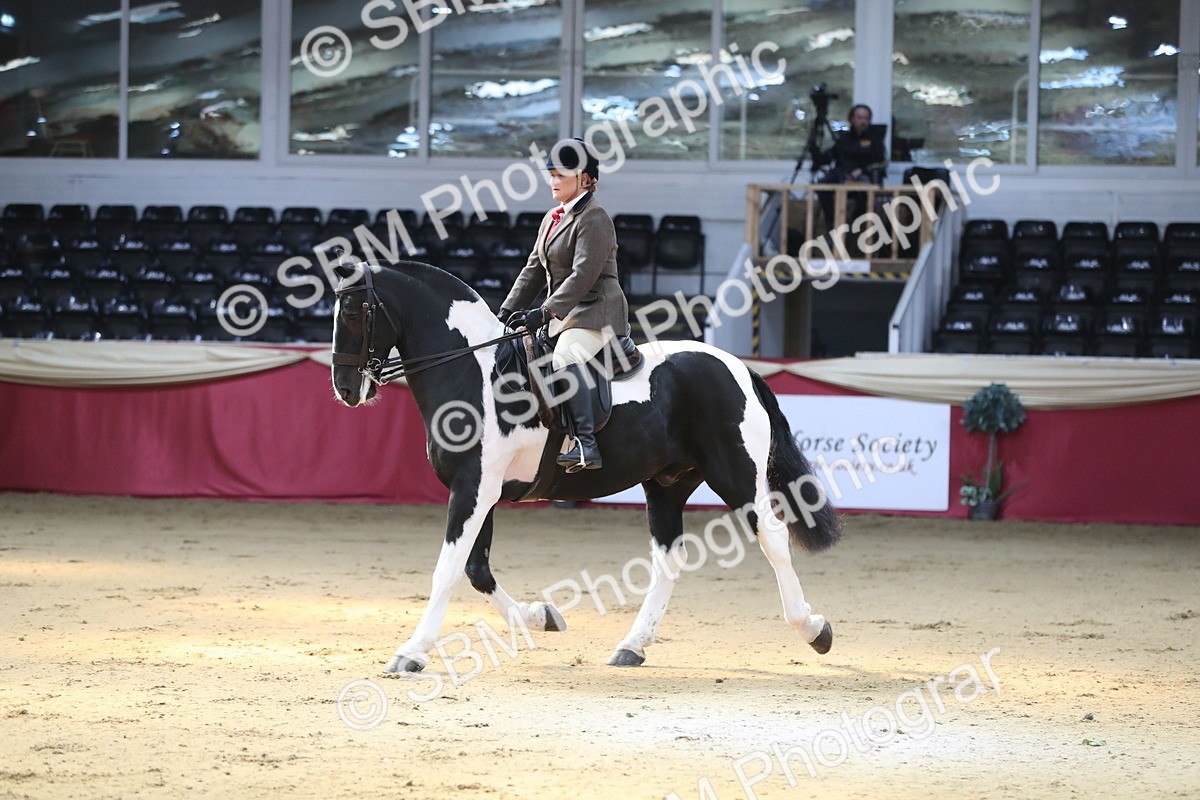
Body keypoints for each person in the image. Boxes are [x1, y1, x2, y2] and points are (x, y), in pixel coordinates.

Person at [498, 138, 629, 472]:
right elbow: (532, 270)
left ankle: (586, 444)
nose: (553, 181)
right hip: (564, 314)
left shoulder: (595, 217)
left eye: (560, 175)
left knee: (565, 357)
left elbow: (583, 274)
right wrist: (504, 312)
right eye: (551, 175)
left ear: (584, 179)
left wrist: (546, 311)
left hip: (595, 311)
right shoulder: (552, 217)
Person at [817, 104, 888, 229]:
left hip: (864, 177)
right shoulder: (844, 138)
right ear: (851, 119)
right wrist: (814, 146)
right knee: (822, 185)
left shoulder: (875, 138)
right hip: (842, 175)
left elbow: (882, 161)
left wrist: (862, 170)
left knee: (863, 193)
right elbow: (827, 159)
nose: (863, 122)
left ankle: (855, 227)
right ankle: (832, 223)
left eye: (866, 118)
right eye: (859, 118)